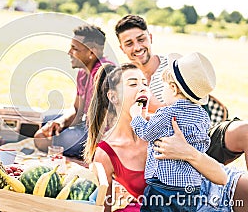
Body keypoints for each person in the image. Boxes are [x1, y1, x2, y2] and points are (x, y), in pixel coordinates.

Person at [84, 63, 247, 212]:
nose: (143, 89)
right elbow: (103, 207)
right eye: (133, 84)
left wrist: (188, 152)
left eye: (145, 83)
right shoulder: (105, 153)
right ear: (113, 97)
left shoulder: (163, 122)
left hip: (221, 189)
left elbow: (221, 176)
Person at [115, 14, 248, 169]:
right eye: (129, 43)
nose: (137, 47)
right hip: (155, 152)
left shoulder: (175, 69)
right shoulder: (125, 78)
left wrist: (155, 109)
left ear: (150, 37)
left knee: (244, 131)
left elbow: (197, 114)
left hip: (196, 143)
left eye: (141, 39)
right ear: (122, 48)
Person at [129, 52, 216, 211]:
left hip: (163, 188)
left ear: (173, 88)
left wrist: (135, 116)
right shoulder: (202, 115)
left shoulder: (167, 113)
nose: (161, 91)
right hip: (192, 188)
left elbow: (146, 133)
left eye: (163, 86)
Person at [33, 24, 115, 157]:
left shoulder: (105, 74)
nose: (69, 52)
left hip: (99, 135)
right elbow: (77, 110)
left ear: (91, 52)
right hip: (86, 124)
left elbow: (107, 125)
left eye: (74, 48)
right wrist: (60, 123)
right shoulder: (83, 73)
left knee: (41, 139)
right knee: (46, 120)